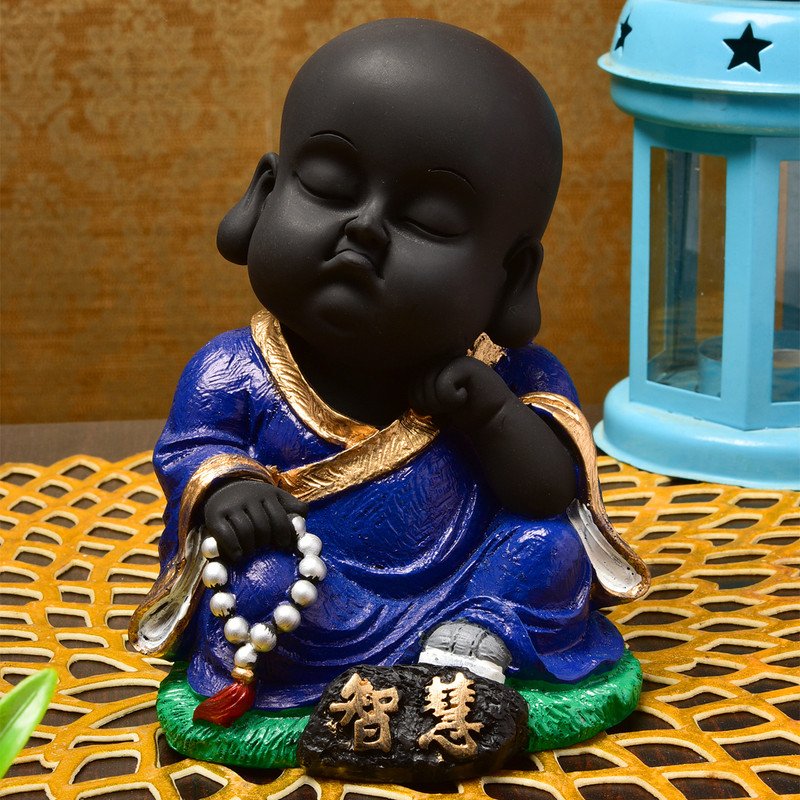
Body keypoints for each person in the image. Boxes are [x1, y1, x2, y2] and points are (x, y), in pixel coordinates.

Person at [130, 18, 648, 775]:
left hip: (469, 587)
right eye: (328, 187)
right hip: (312, 587)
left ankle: (473, 648)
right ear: (262, 195)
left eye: (428, 221)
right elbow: (191, 451)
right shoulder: (233, 368)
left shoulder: (512, 374)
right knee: (254, 582)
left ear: (512, 278)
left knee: (550, 549)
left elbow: (547, 492)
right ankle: (330, 682)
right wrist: (229, 487)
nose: (364, 229)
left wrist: (491, 414)